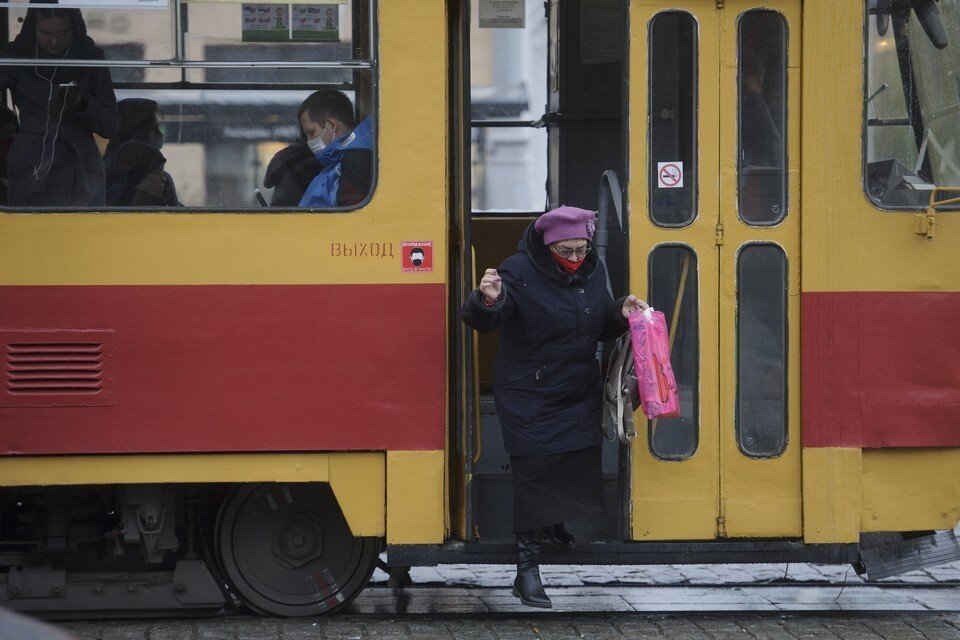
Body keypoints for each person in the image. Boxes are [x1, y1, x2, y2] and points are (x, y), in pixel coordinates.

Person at [460, 206, 648, 609]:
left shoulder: (592, 270)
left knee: (574, 460)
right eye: (568, 250)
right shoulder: (517, 270)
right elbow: (484, 320)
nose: (577, 257)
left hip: (577, 389)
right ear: (548, 245)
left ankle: (553, 524)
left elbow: (598, 325)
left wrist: (620, 312)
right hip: (531, 392)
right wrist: (486, 300)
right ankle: (526, 571)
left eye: (582, 249)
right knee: (535, 473)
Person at [0, 5, 120, 207]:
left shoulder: (90, 57)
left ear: (75, 29)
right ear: (32, 29)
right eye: (46, 34)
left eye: (63, 34)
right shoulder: (14, 55)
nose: (54, 41)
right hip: (31, 158)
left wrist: (82, 103)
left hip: (80, 161)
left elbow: (110, 126)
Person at [296, 88, 373, 208]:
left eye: (311, 133)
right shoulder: (338, 162)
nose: (309, 141)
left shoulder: (356, 162)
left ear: (332, 125)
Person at [103, 98, 180, 206]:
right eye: (153, 128)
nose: (159, 134)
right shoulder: (109, 172)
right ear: (137, 131)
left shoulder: (160, 175)